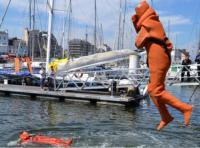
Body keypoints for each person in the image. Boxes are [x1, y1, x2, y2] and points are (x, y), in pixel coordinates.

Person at [132, 0, 192, 131]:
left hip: (159, 59)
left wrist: (135, 23)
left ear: (140, 13)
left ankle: (185, 108)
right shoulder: (152, 22)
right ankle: (165, 116)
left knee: (155, 90)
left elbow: (138, 43)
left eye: (136, 13)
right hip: (160, 58)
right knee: (152, 91)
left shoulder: (148, 24)